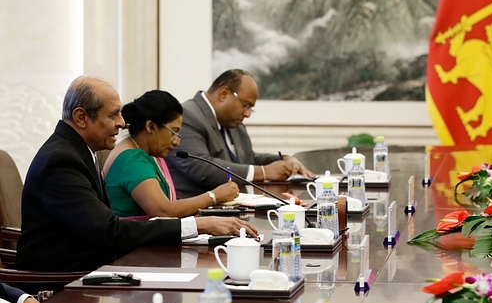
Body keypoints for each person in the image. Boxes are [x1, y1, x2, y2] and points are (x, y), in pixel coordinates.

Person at [17, 76, 257, 273]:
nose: (122, 123)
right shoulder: (61, 161)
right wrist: (199, 224)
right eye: (113, 115)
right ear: (81, 117)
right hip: (64, 283)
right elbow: (109, 232)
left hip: (96, 268)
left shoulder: (78, 151)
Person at [166, 69, 315, 198]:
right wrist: (264, 172)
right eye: (246, 105)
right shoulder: (187, 116)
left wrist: (284, 159)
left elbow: (248, 159)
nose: (248, 114)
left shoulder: (231, 121)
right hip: (196, 214)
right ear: (224, 93)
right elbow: (201, 167)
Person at [103, 90, 239, 218]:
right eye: (174, 132)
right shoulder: (133, 160)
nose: (177, 142)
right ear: (151, 126)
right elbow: (163, 211)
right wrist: (214, 196)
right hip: (132, 241)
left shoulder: (141, 151)